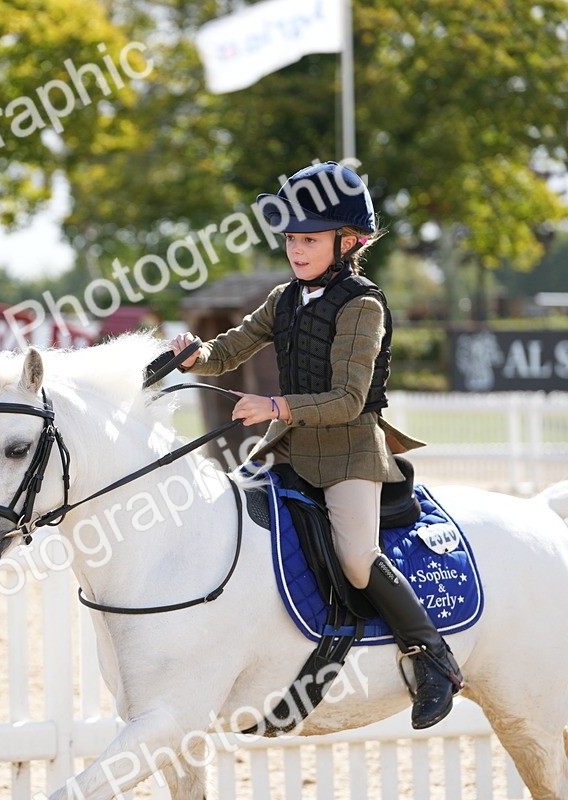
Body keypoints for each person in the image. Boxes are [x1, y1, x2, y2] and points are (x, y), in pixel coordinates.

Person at [164, 161, 463, 729]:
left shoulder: (363, 305)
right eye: (291, 239)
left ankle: (432, 657)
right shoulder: (284, 298)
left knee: (355, 559)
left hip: (350, 451)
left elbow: (349, 400)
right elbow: (233, 347)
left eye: (309, 239)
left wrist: (275, 407)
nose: (296, 250)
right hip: (291, 448)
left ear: (348, 242)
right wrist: (195, 354)